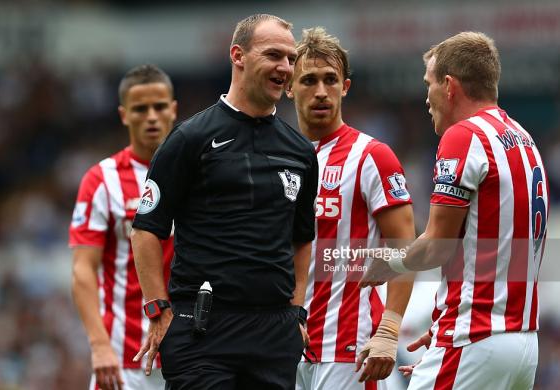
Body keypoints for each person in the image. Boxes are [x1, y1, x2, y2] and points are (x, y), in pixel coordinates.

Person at [130, 14, 318, 390]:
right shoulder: (189, 139)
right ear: (238, 55)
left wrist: (297, 312)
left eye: (290, 58)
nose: (285, 67)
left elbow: (302, 239)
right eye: (273, 55)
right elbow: (146, 229)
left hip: (274, 333)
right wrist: (157, 308)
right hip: (203, 330)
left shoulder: (300, 151)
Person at [359, 32, 549, 389]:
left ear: (449, 85)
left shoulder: (464, 136)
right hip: (522, 345)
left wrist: (389, 261)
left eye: (428, 84)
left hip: (474, 338)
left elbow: (437, 245)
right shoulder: (523, 138)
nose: (425, 97)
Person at [285, 27, 415, 389]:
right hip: (282, 348)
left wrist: (389, 331)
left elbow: (406, 247)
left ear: (346, 86)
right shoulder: (273, 158)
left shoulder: (373, 156)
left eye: (331, 79)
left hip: (349, 350)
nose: (321, 91)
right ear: (289, 87)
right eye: (309, 80)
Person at [70, 64, 177, 390]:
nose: (152, 117)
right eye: (140, 109)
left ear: (174, 108)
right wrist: (99, 345)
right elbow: (82, 270)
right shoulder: (101, 180)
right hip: (122, 359)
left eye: (159, 107)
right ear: (123, 115)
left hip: (189, 358)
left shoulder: (199, 174)